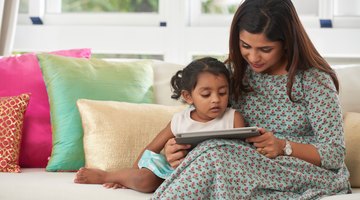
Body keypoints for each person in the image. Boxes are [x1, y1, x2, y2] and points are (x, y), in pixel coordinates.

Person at [154, 0, 351, 199]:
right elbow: (205, 118)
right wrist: (177, 152)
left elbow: (334, 154)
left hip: (302, 171)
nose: (253, 57)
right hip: (242, 168)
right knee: (212, 154)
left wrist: (283, 146)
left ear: (286, 43)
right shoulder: (233, 73)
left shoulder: (314, 81)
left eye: (265, 49)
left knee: (215, 155)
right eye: (245, 46)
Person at [74, 57, 245, 193]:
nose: (216, 99)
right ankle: (108, 175)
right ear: (188, 96)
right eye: (206, 94)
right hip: (175, 172)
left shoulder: (233, 118)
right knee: (144, 180)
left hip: (217, 175)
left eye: (222, 92)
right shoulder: (180, 120)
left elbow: (243, 156)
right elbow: (152, 148)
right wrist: (131, 176)